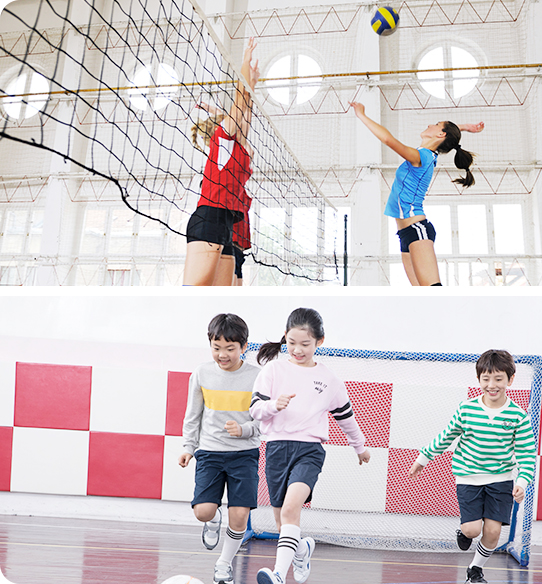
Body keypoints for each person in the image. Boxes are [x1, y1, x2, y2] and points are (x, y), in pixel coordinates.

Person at [249, 308, 371, 584]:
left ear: (320, 341)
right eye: (291, 343)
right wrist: (273, 405)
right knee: (282, 523)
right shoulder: (273, 370)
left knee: (292, 508)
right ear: (285, 337)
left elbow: (345, 417)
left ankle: (279, 574)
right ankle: (301, 549)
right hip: (277, 450)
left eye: (305, 344)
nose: (297, 349)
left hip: (309, 451)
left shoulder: (329, 380)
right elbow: (255, 410)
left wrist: (359, 446)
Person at [409, 350, 536, 584]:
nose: (492, 384)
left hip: (501, 478)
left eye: (498, 379)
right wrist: (423, 458)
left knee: (493, 533)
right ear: (479, 380)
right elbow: (446, 436)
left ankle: (475, 570)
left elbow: (527, 454)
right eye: (486, 379)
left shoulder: (518, 416)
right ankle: (463, 530)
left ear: (510, 380)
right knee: (472, 531)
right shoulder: (467, 409)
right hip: (469, 478)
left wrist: (521, 482)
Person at [349, 101, 484, 286]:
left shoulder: (423, 157)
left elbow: (389, 141)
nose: (430, 124)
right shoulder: (426, 153)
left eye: (436, 124)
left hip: (416, 229)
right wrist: (465, 127)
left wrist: (361, 115)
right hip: (405, 233)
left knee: (432, 291)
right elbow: (448, 134)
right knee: (420, 295)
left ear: (440, 134)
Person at [179, 313, 261, 584]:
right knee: (203, 511)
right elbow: (193, 415)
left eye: (230, 348)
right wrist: (188, 447)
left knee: (239, 517)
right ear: (210, 345)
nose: (222, 355)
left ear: (244, 347)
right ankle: (213, 520)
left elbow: (264, 421)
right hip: (210, 453)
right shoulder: (202, 373)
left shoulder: (257, 377)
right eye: (217, 348)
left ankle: (223, 564)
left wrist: (244, 430)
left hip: (244, 455)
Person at [183, 38, 259, 286]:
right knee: (195, 292)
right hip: (208, 219)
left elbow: (245, 109)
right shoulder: (222, 141)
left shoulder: (240, 148)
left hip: (225, 226)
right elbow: (239, 102)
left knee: (225, 297)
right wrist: (245, 61)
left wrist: (253, 87)